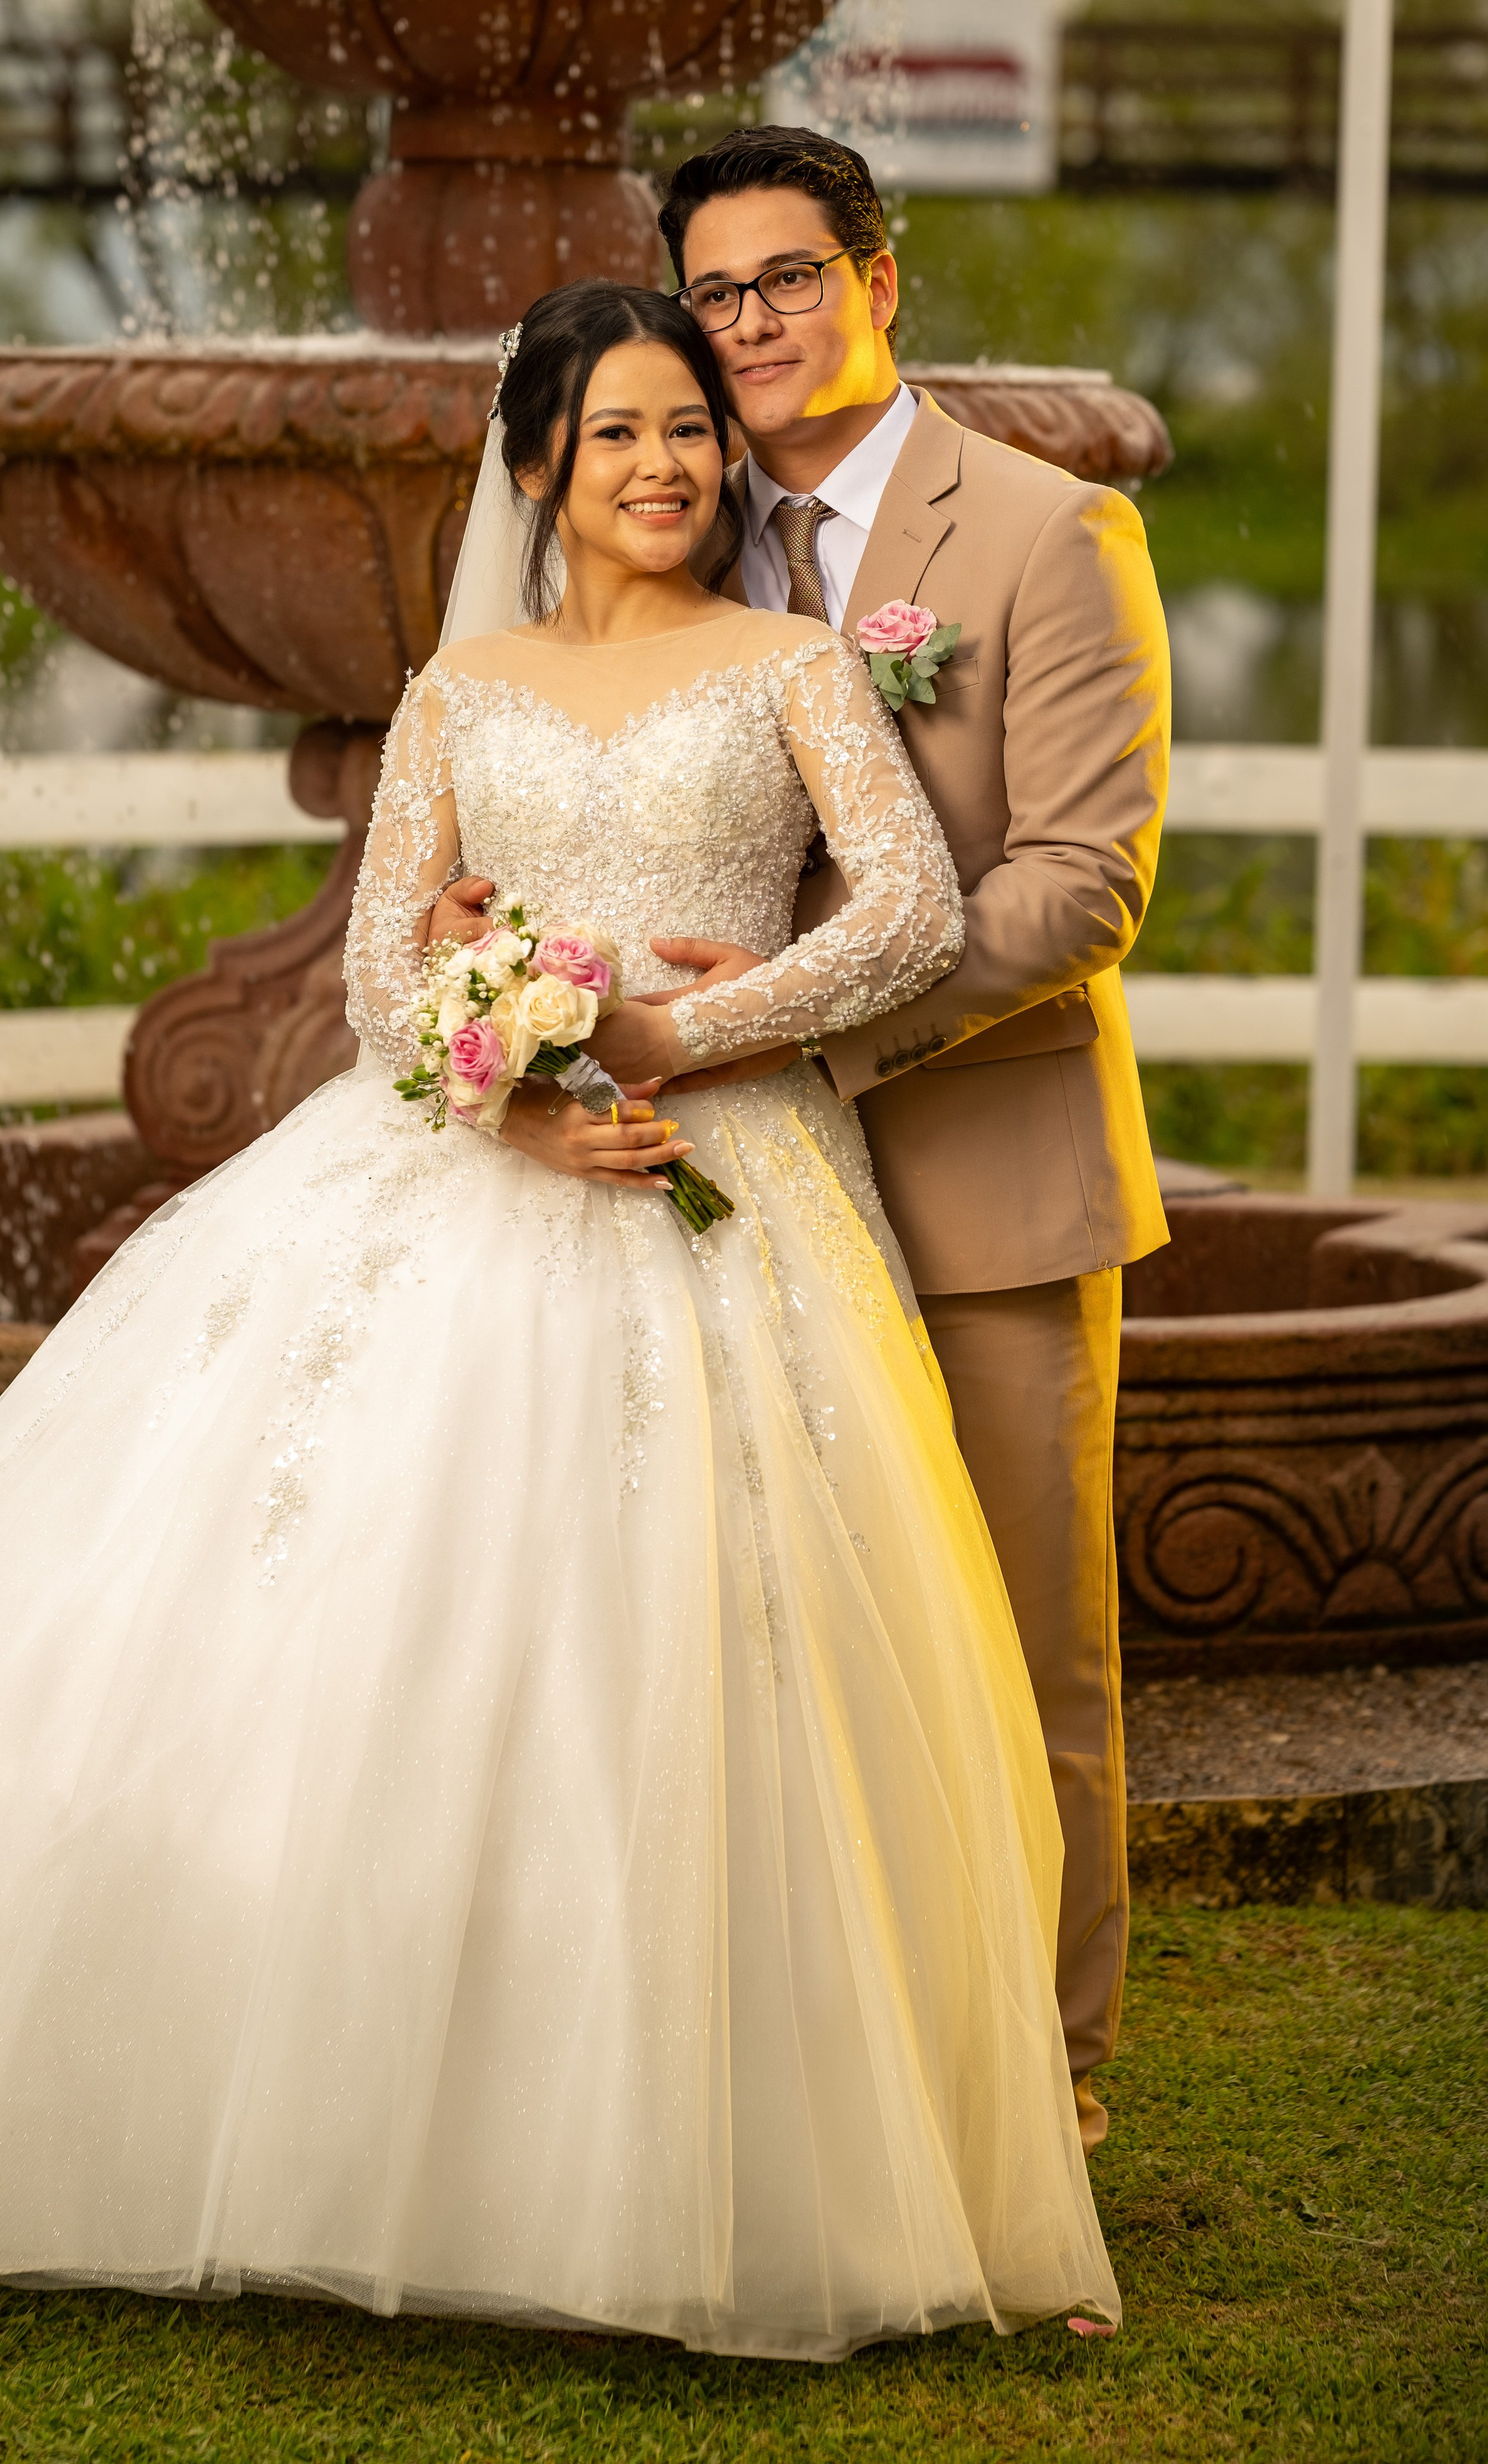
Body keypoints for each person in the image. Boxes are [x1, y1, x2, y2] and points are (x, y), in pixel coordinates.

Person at [0, 279, 1117, 2357]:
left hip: (729, 1179)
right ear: (542, 460)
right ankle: (288, 2099)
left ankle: (710, 2151)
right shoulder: (457, 690)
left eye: (689, 430)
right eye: (621, 430)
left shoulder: (797, 665)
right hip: (486, 1169)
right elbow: (389, 975)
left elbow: (911, 911)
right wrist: (515, 1091)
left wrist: (677, 1029)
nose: (664, 464)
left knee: (713, 1666)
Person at [439, 131, 1172, 2156]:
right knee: (759, 1639)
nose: (751, 324)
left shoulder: (1046, 530)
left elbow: (1080, 886)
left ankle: (1053, 2075)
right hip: (728, 1199)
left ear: (881, 281)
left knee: (1022, 1654)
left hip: (975, 1170)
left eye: (788, 280)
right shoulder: (681, 515)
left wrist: (783, 1030)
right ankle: (799, 2059)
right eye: (720, 290)